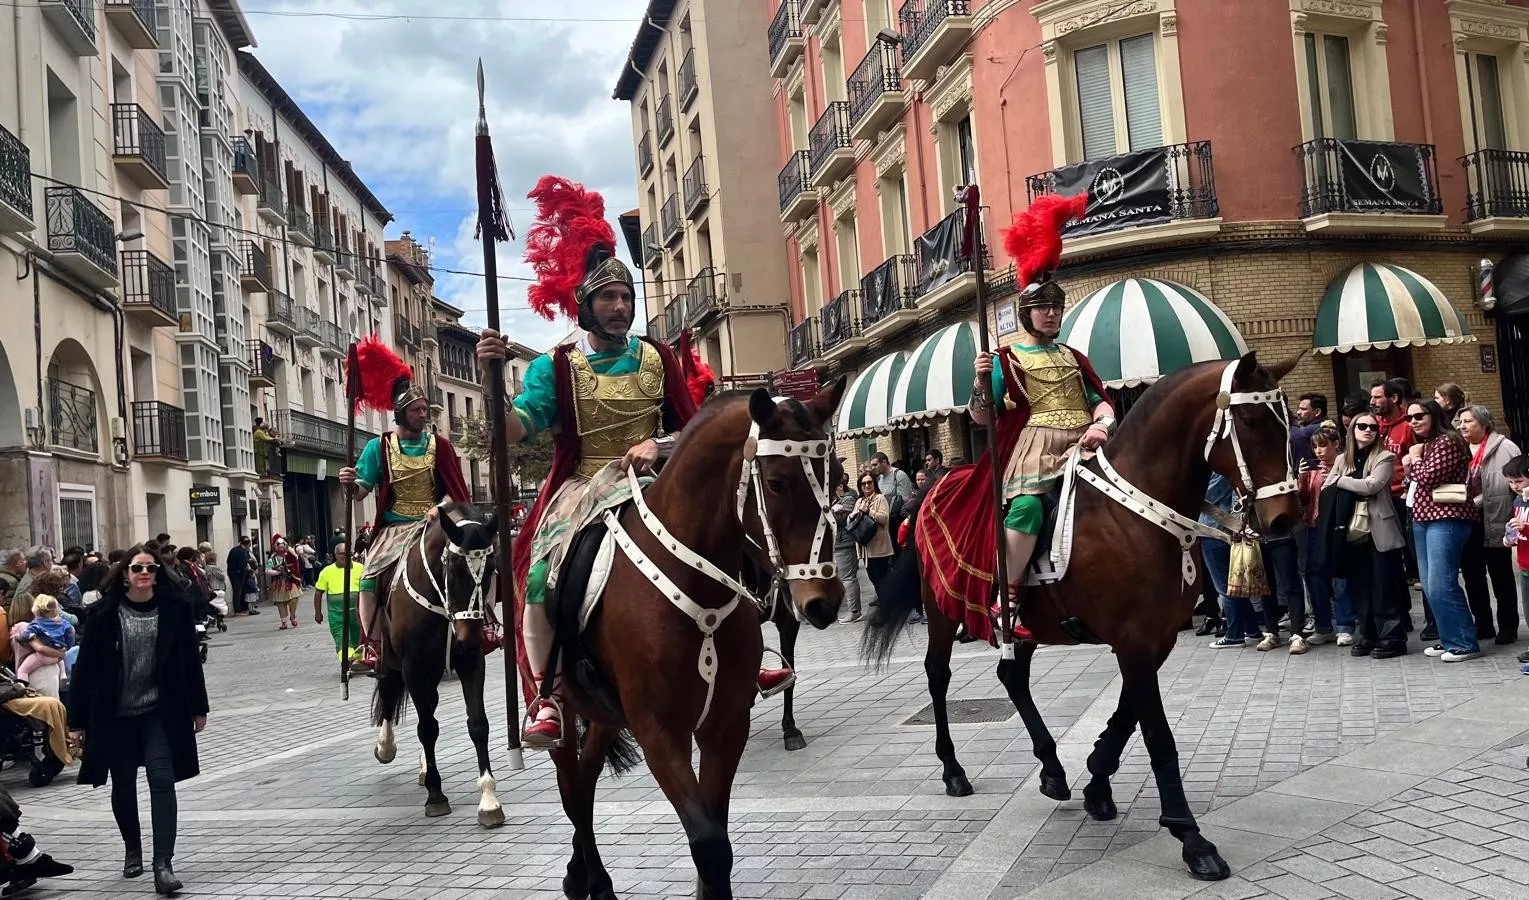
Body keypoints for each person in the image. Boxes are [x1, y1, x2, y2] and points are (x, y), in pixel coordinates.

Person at [474, 175, 792, 749]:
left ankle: (751, 652)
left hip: (657, 478)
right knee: (544, 574)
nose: (620, 307)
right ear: (586, 306)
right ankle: (547, 692)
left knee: (733, 544)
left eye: (625, 298)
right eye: (608, 299)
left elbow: (693, 426)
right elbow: (517, 428)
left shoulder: (658, 357)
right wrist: (493, 384)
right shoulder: (556, 365)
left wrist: (660, 446)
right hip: (584, 485)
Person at [924, 194, 1114, 642]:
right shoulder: (1005, 359)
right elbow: (979, 416)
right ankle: (1005, 601)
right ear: (1027, 314)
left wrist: (1101, 424)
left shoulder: (1073, 356)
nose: (1052, 314)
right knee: (1027, 506)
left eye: (1057, 309)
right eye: (1043, 309)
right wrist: (980, 378)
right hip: (1035, 447)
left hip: (1087, 441)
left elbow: (1101, 399)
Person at [68, 546, 208, 896]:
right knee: (124, 784)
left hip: (159, 711)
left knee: (163, 779)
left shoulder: (174, 608)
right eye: (136, 568)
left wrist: (198, 706)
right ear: (125, 573)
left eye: (150, 567)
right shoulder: (103, 614)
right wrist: (77, 720)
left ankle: (164, 864)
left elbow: (191, 660)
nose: (143, 573)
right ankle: (133, 847)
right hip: (115, 716)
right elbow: (83, 671)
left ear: (157, 572)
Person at [337, 336, 472, 672]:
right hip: (396, 529)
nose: (423, 415)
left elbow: (456, 489)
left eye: (425, 409)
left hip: (434, 523)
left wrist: (440, 508)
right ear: (400, 413)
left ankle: (480, 628)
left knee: (473, 564)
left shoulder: (439, 445)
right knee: (368, 579)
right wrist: (348, 485)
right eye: (416, 410)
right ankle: (371, 644)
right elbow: (361, 493)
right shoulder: (377, 448)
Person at [1317, 412, 1408, 658]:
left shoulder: (1385, 456)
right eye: (1362, 426)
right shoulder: (1341, 458)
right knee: (1359, 586)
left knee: (1384, 585)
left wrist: (1340, 481)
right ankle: (1368, 635)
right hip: (1350, 532)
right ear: (1352, 430)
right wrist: (1342, 481)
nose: (1368, 430)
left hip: (1379, 530)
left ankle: (1392, 637)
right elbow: (1326, 488)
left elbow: (1372, 486)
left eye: (1373, 427)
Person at [1403, 399, 1478, 661]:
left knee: (1442, 583)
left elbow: (1427, 477)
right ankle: (1449, 638)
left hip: (1447, 517)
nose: (1412, 421)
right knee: (1430, 586)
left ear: (1434, 415)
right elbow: (1409, 480)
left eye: (1419, 416)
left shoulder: (1448, 440)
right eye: (1409, 418)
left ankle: (1464, 643)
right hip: (1423, 518)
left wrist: (1413, 459)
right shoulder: (1429, 444)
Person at [1457, 405, 1521, 644]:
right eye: (1460, 421)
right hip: (1467, 521)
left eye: (1468, 421)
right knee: (1473, 577)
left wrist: (1478, 501)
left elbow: (1515, 481)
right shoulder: (1458, 447)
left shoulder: (1505, 448)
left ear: (1484, 424)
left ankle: (1508, 627)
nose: (1462, 426)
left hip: (1495, 519)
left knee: (1501, 576)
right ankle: (1482, 625)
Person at [1371, 378, 1428, 636]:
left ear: (1393, 398)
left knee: (1417, 561)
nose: (1373, 402)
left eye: (1378, 397)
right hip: (1381, 500)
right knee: (1391, 562)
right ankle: (1402, 615)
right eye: (1371, 398)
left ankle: (1433, 620)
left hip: (1404, 498)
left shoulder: (1408, 426)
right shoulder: (1372, 427)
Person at [1203, 473, 1257, 649]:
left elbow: (1205, 496)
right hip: (1221, 530)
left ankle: (1234, 635)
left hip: (1214, 531)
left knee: (1224, 587)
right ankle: (1252, 630)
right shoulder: (1222, 471)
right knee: (1234, 586)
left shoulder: (1218, 473)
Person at [312, 543, 366, 667]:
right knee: (341, 638)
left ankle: (357, 661)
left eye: (348, 553)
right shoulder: (327, 571)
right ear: (335, 555)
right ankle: (346, 661)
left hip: (357, 613)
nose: (345, 556)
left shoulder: (360, 568)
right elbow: (318, 593)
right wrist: (318, 612)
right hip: (337, 614)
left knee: (356, 637)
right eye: (341, 554)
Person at [1503, 456, 1529, 667]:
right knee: (1528, 609)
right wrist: (1510, 537)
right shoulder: (1518, 502)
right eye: (1511, 482)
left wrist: (1525, 528)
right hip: (1525, 564)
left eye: (1519, 481)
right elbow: (1517, 530)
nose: (1515, 486)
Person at [15, 595, 73, 686]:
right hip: (57, 657)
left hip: (42, 656)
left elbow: (27, 635)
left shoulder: (36, 624)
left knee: (22, 670)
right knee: (60, 656)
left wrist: (18, 637)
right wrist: (67, 646)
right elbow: (71, 633)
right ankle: (63, 674)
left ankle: (23, 686)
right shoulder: (63, 623)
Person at [830, 475, 863, 623]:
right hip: (837, 543)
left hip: (845, 543)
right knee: (843, 578)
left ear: (840, 486)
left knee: (848, 578)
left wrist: (830, 512)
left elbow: (843, 519)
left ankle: (854, 611)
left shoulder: (849, 499)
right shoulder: (836, 501)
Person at [852, 473, 895, 589]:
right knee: (874, 581)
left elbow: (885, 518)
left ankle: (888, 606)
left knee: (883, 582)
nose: (867, 485)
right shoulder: (859, 501)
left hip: (880, 548)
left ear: (874, 484)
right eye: (864, 483)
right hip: (866, 550)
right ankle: (884, 604)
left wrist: (869, 511)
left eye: (869, 482)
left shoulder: (880, 498)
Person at [265, 535, 303, 630]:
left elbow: (296, 558)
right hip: (279, 583)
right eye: (279, 547)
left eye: (283, 546)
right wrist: (277, 572)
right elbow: (267, 570)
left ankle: (293, 615)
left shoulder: (289, 556)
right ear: (276, 547)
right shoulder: (272, 559)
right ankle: (284, 622)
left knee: (294, 599)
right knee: (280, 603)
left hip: (290, 581)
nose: (281, 549)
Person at [226, 536, 254, 616]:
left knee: (237, 591)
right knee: (237, 592)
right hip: (238, 575)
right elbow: (242, 565)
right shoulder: (242, 552)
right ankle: (238, 610)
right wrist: (248, 571)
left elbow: (228, 561)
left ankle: (240, 609)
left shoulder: (234, 550)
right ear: (248, 544)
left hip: (232, 573)